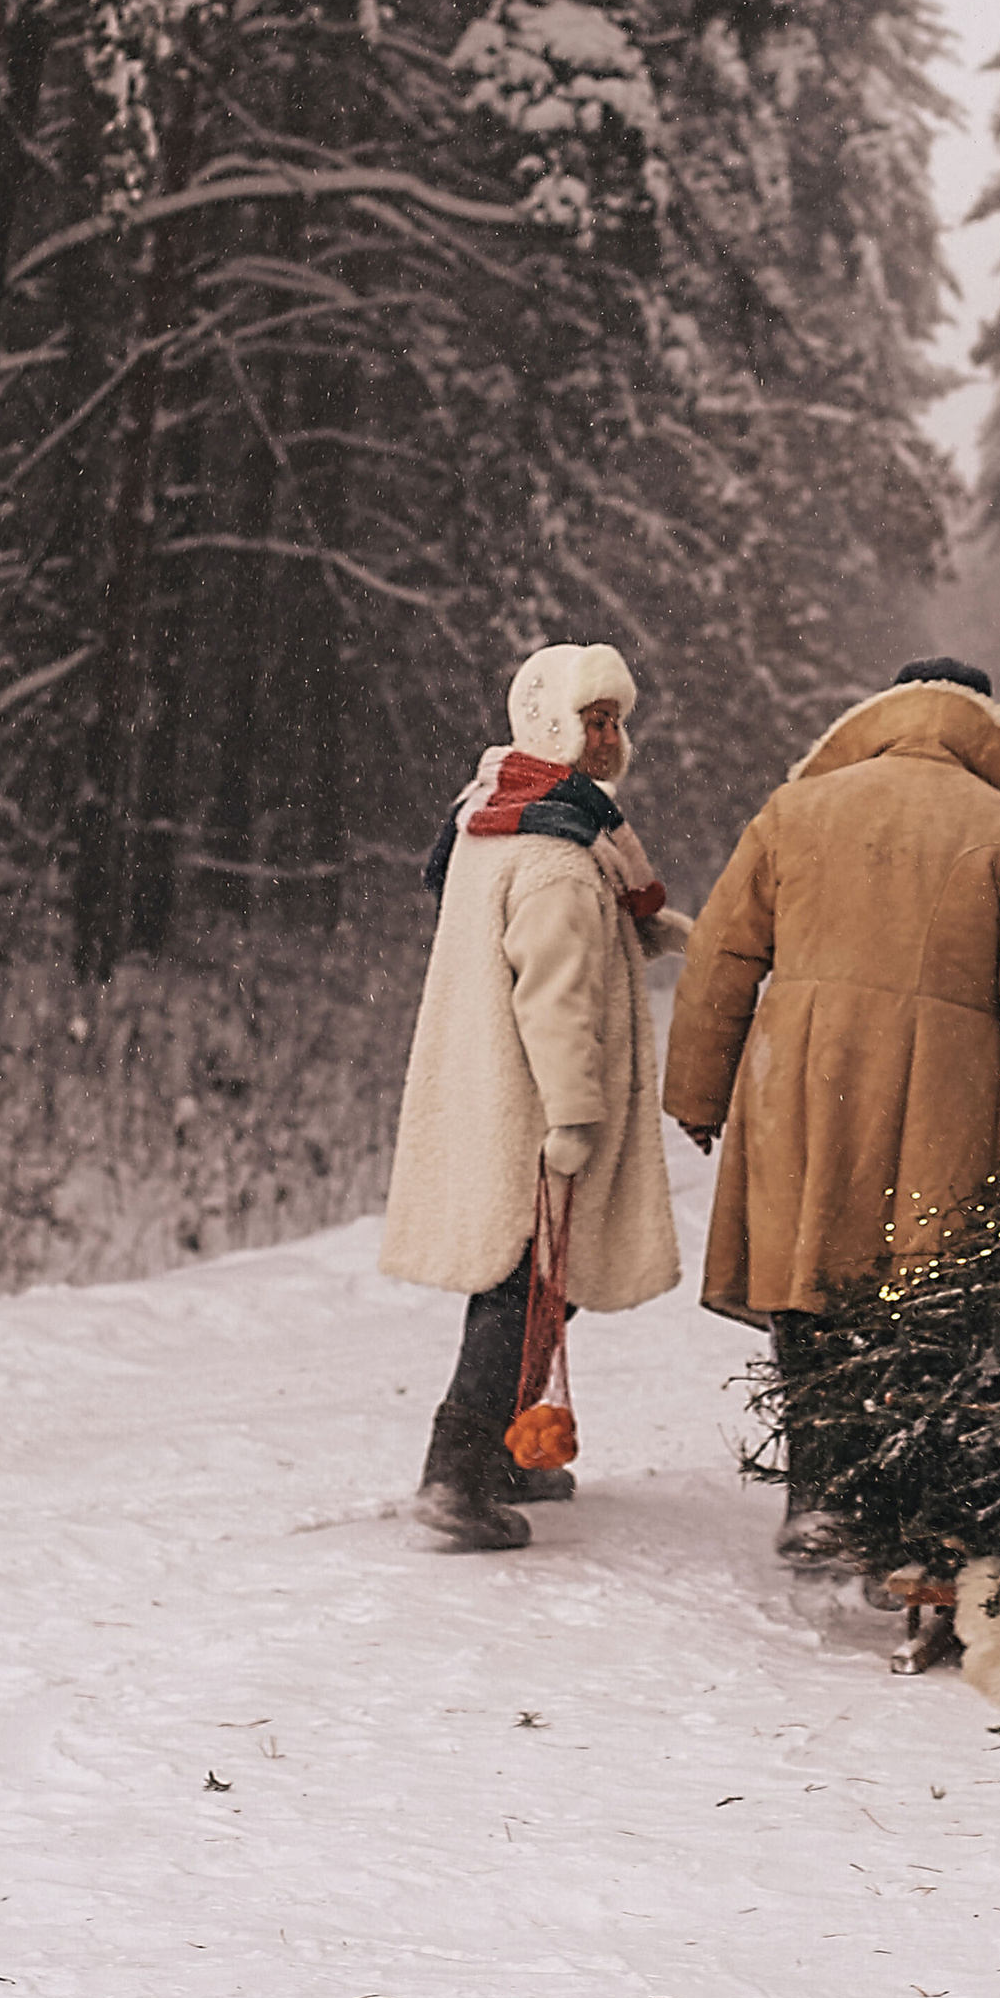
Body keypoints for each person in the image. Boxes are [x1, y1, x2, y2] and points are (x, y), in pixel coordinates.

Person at [663, 654, 1000, 1559]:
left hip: (799, 1077)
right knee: (925, 1289)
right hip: (947, 1092)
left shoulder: (798, 811)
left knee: (808, 1272)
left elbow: (720, 959)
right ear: (990, 727)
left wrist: (699, 1091)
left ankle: (820, 1496)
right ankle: (902, 1508)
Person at [381, 643, 692, 1551]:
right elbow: (554, 998)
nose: (608, 738)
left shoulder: (498, 813)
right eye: (592, 721)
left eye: (614, 720)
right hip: (538, 1108)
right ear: (551, 724)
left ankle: (508, 1454)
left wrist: (659, 934)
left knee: (541, 1279)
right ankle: (455, 1476)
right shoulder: (557, 854)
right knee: (528, 1283)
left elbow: (562, 933)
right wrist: (574, 1116)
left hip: (488, 1091)